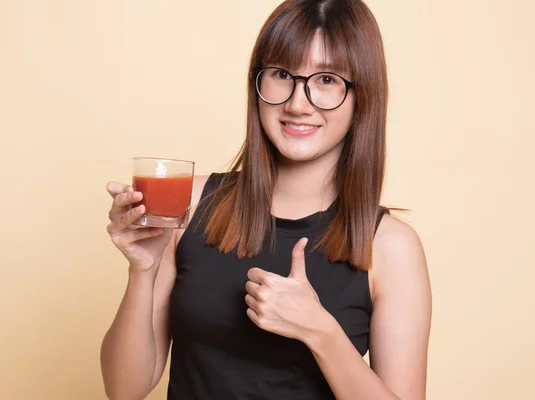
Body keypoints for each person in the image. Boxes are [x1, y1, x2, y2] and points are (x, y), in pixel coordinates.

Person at [100, 0, 432, 399]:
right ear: (256, 83)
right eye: (281, 74)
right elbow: (124, 390)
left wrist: (319, 331)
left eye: (327, 80)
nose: (297, 103)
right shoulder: (187, 204)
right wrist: (143, 270)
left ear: (363, 97)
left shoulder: (391, 247)